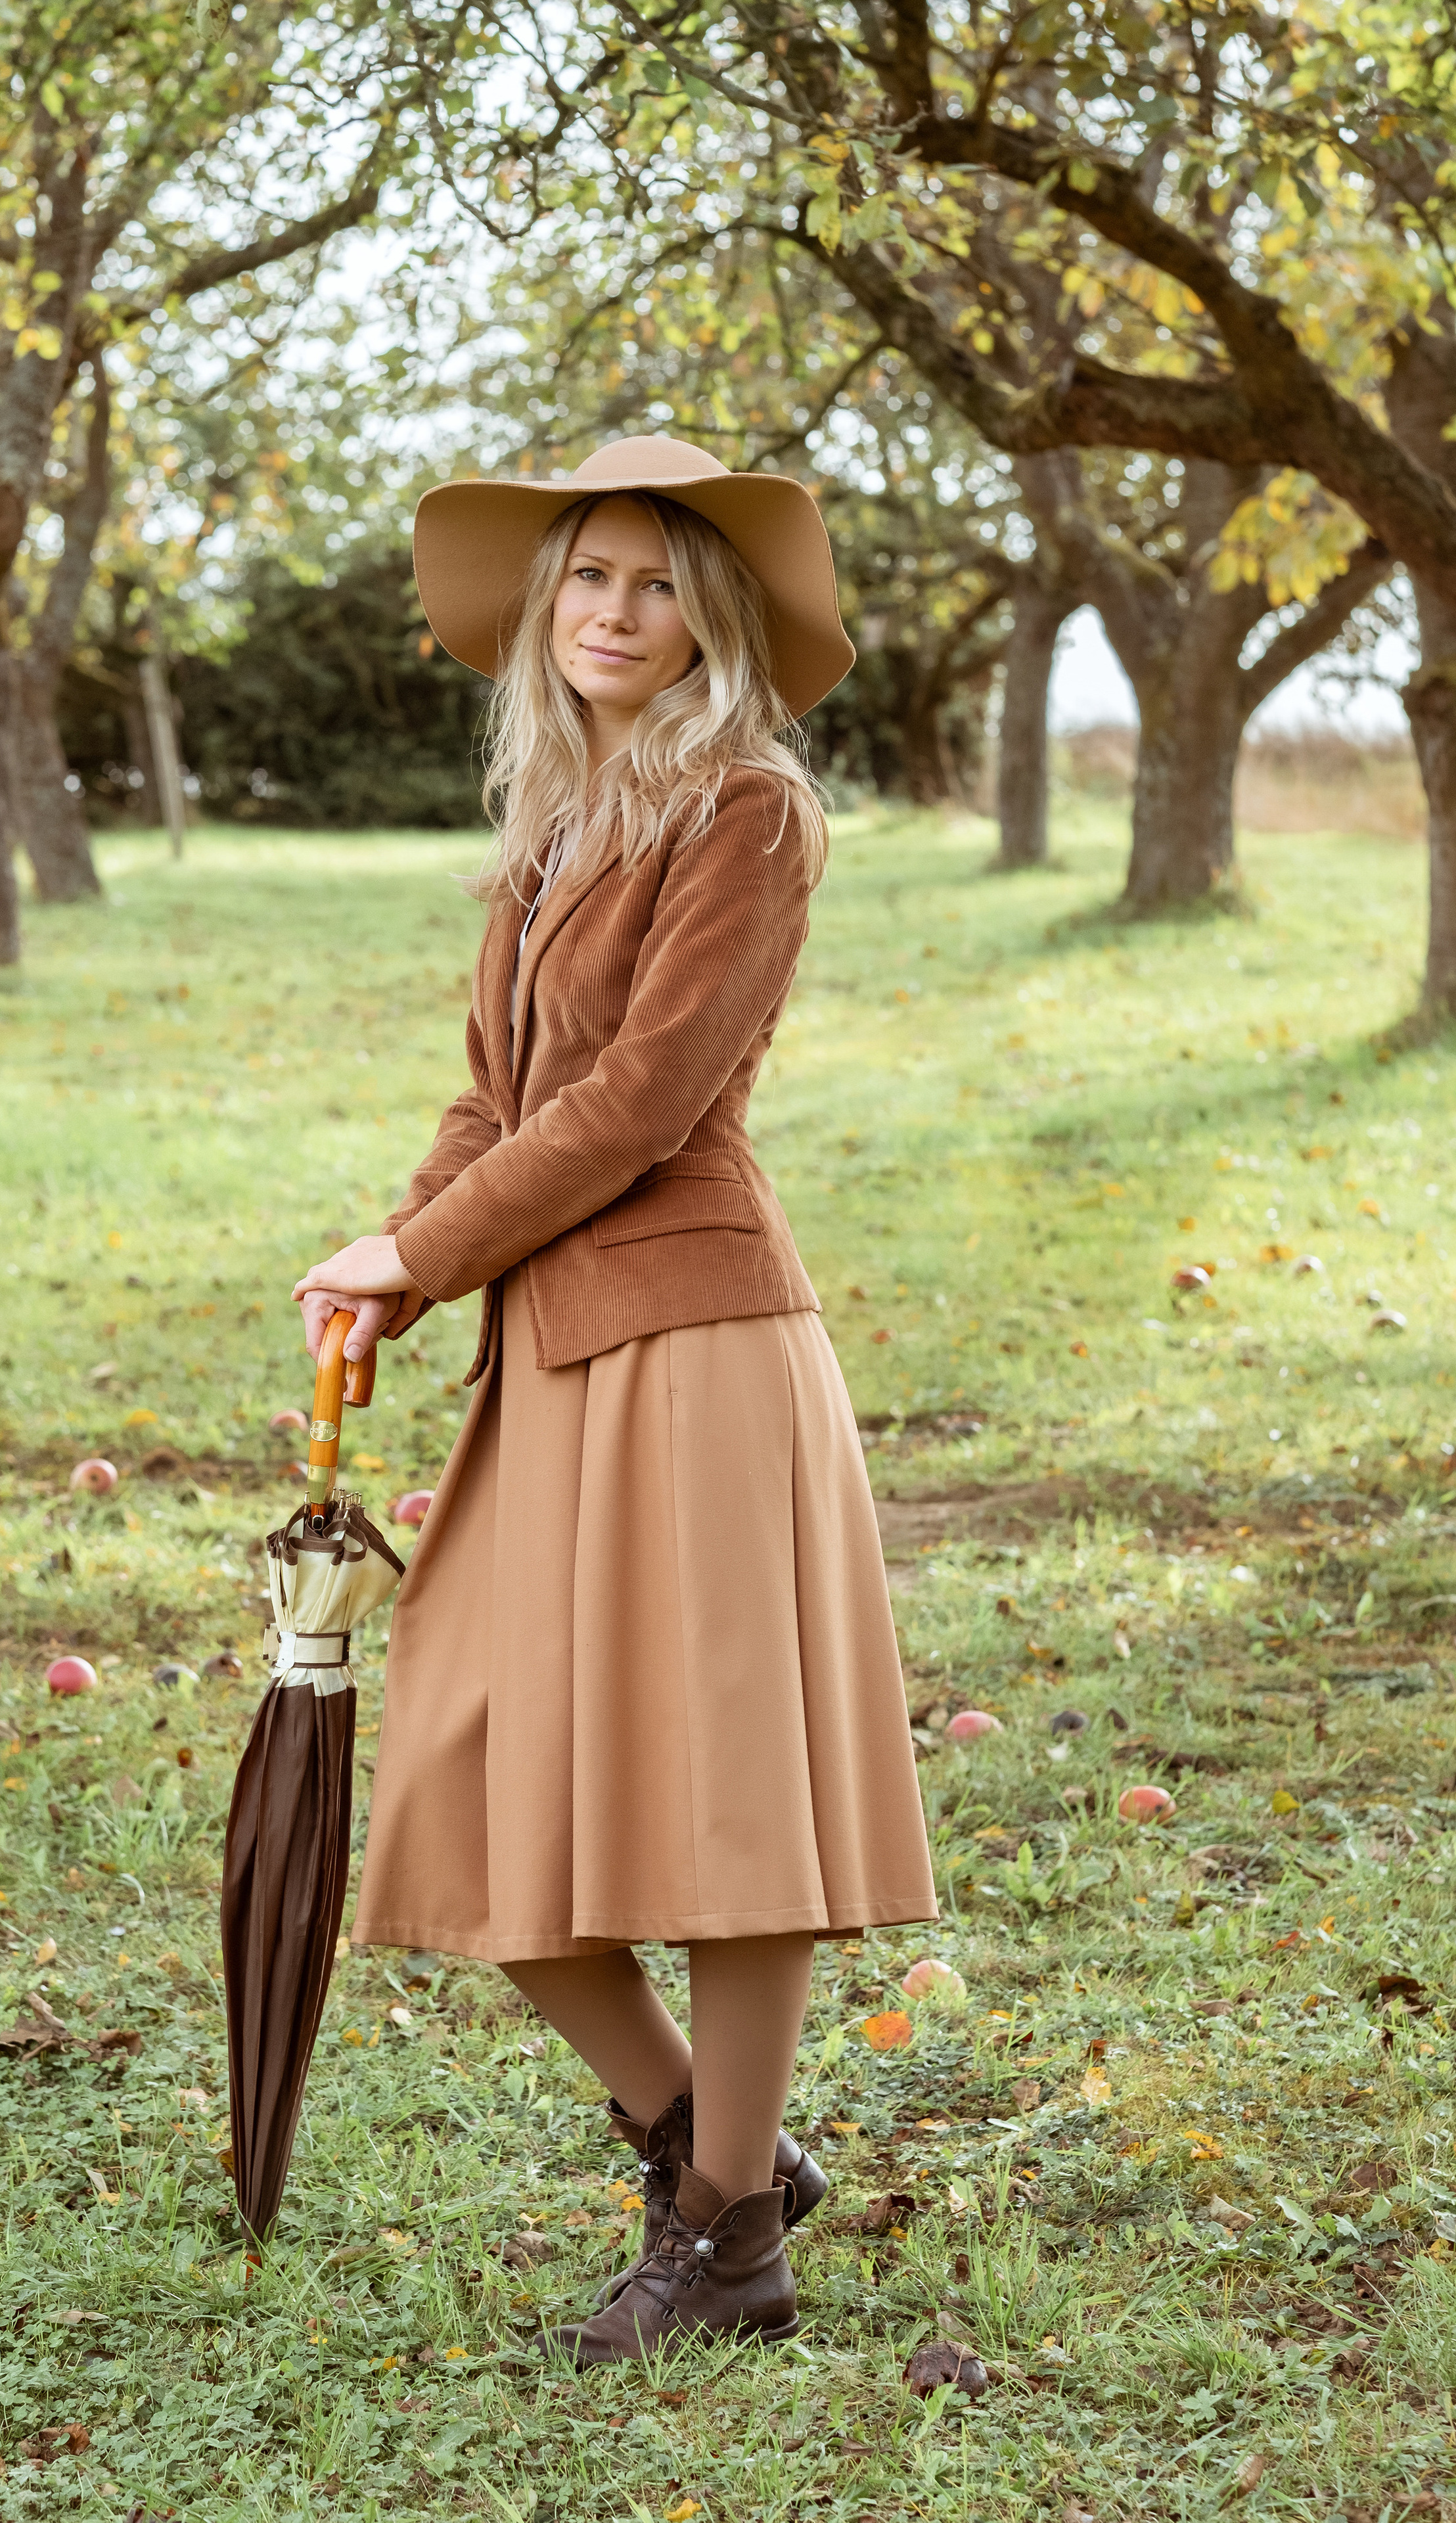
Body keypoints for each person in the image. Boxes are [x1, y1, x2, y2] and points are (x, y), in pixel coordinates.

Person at [292, 435, 937, 2364]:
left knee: (732, 1804)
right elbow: (500, 1104)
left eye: (657, 583)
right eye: (587, 576)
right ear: (543, 606)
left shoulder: (747, 812)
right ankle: (698, 2140)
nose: (615, 613)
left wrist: (429, 1256)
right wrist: (392, 1265)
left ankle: (730, 2226)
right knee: (465, 1774)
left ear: (711, 617)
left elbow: (644, 1106)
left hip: (699, 1351)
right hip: (551, 1357)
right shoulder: (551, 831)